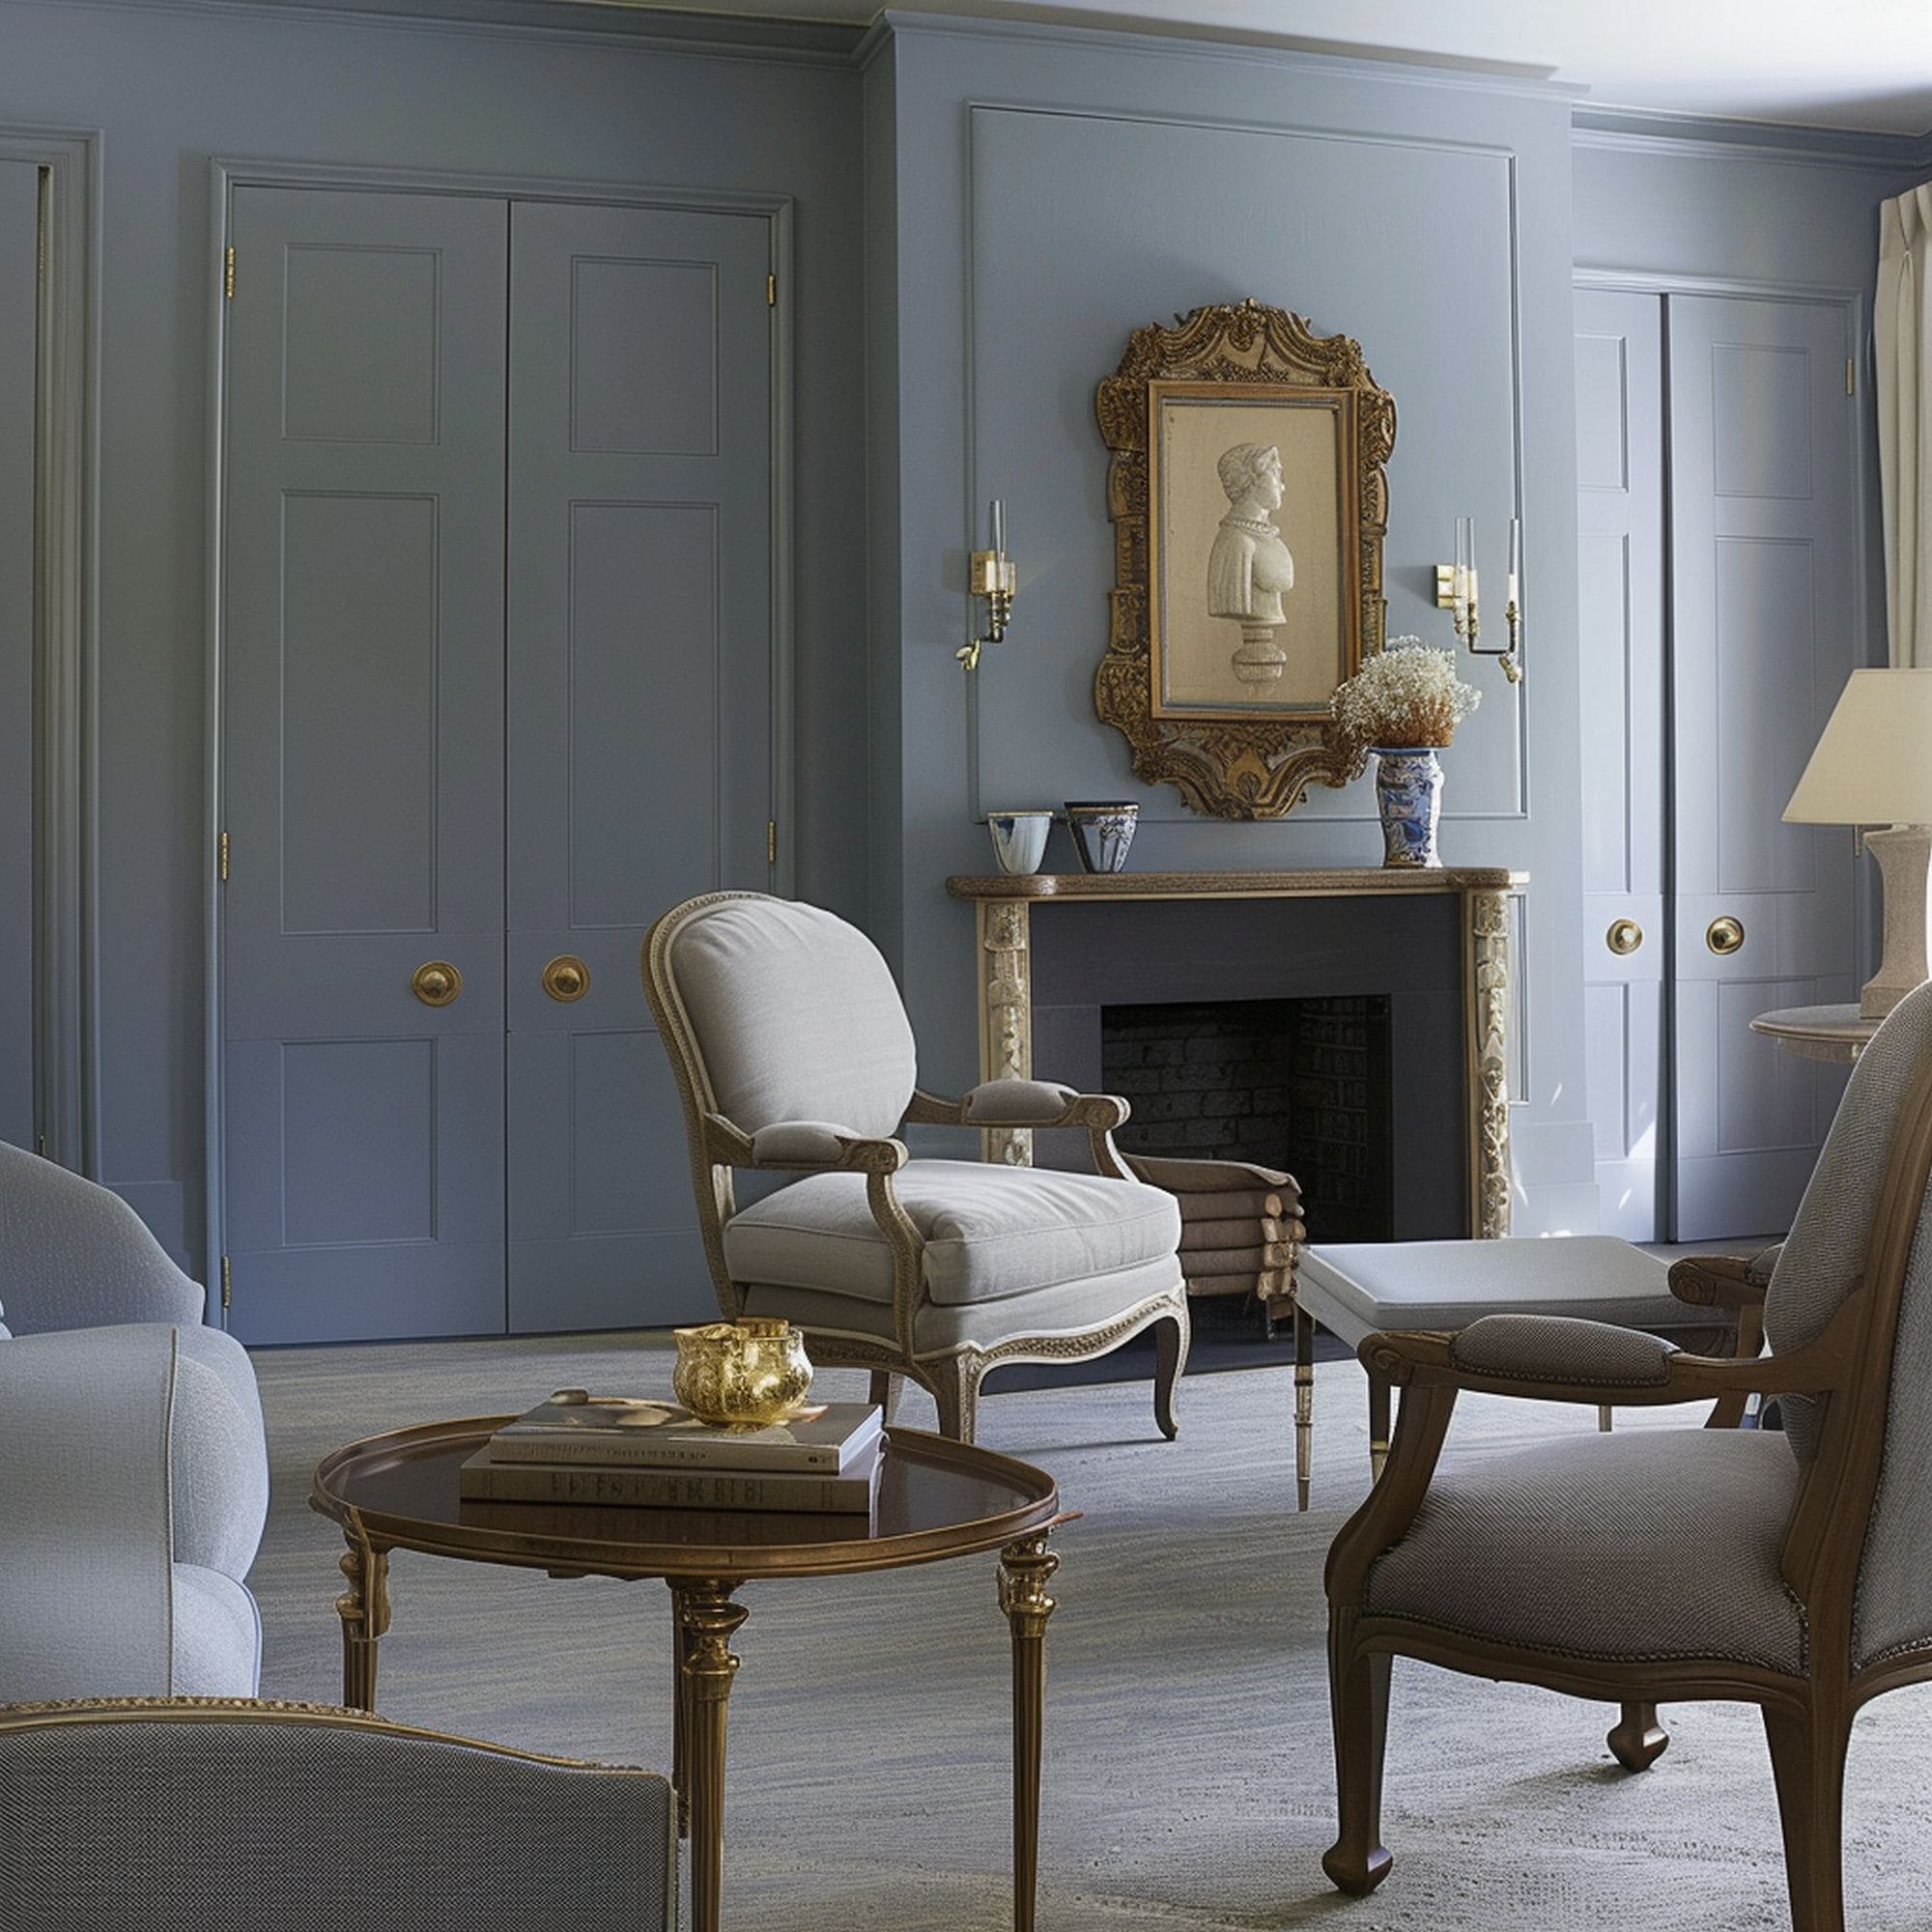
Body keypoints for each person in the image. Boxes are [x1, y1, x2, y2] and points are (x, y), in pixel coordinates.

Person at [1207, 441, 1295, 626]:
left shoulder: (1267, 538)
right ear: (1252, 479)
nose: (1283, 486)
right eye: (1276, 474)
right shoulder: (1237, 541)